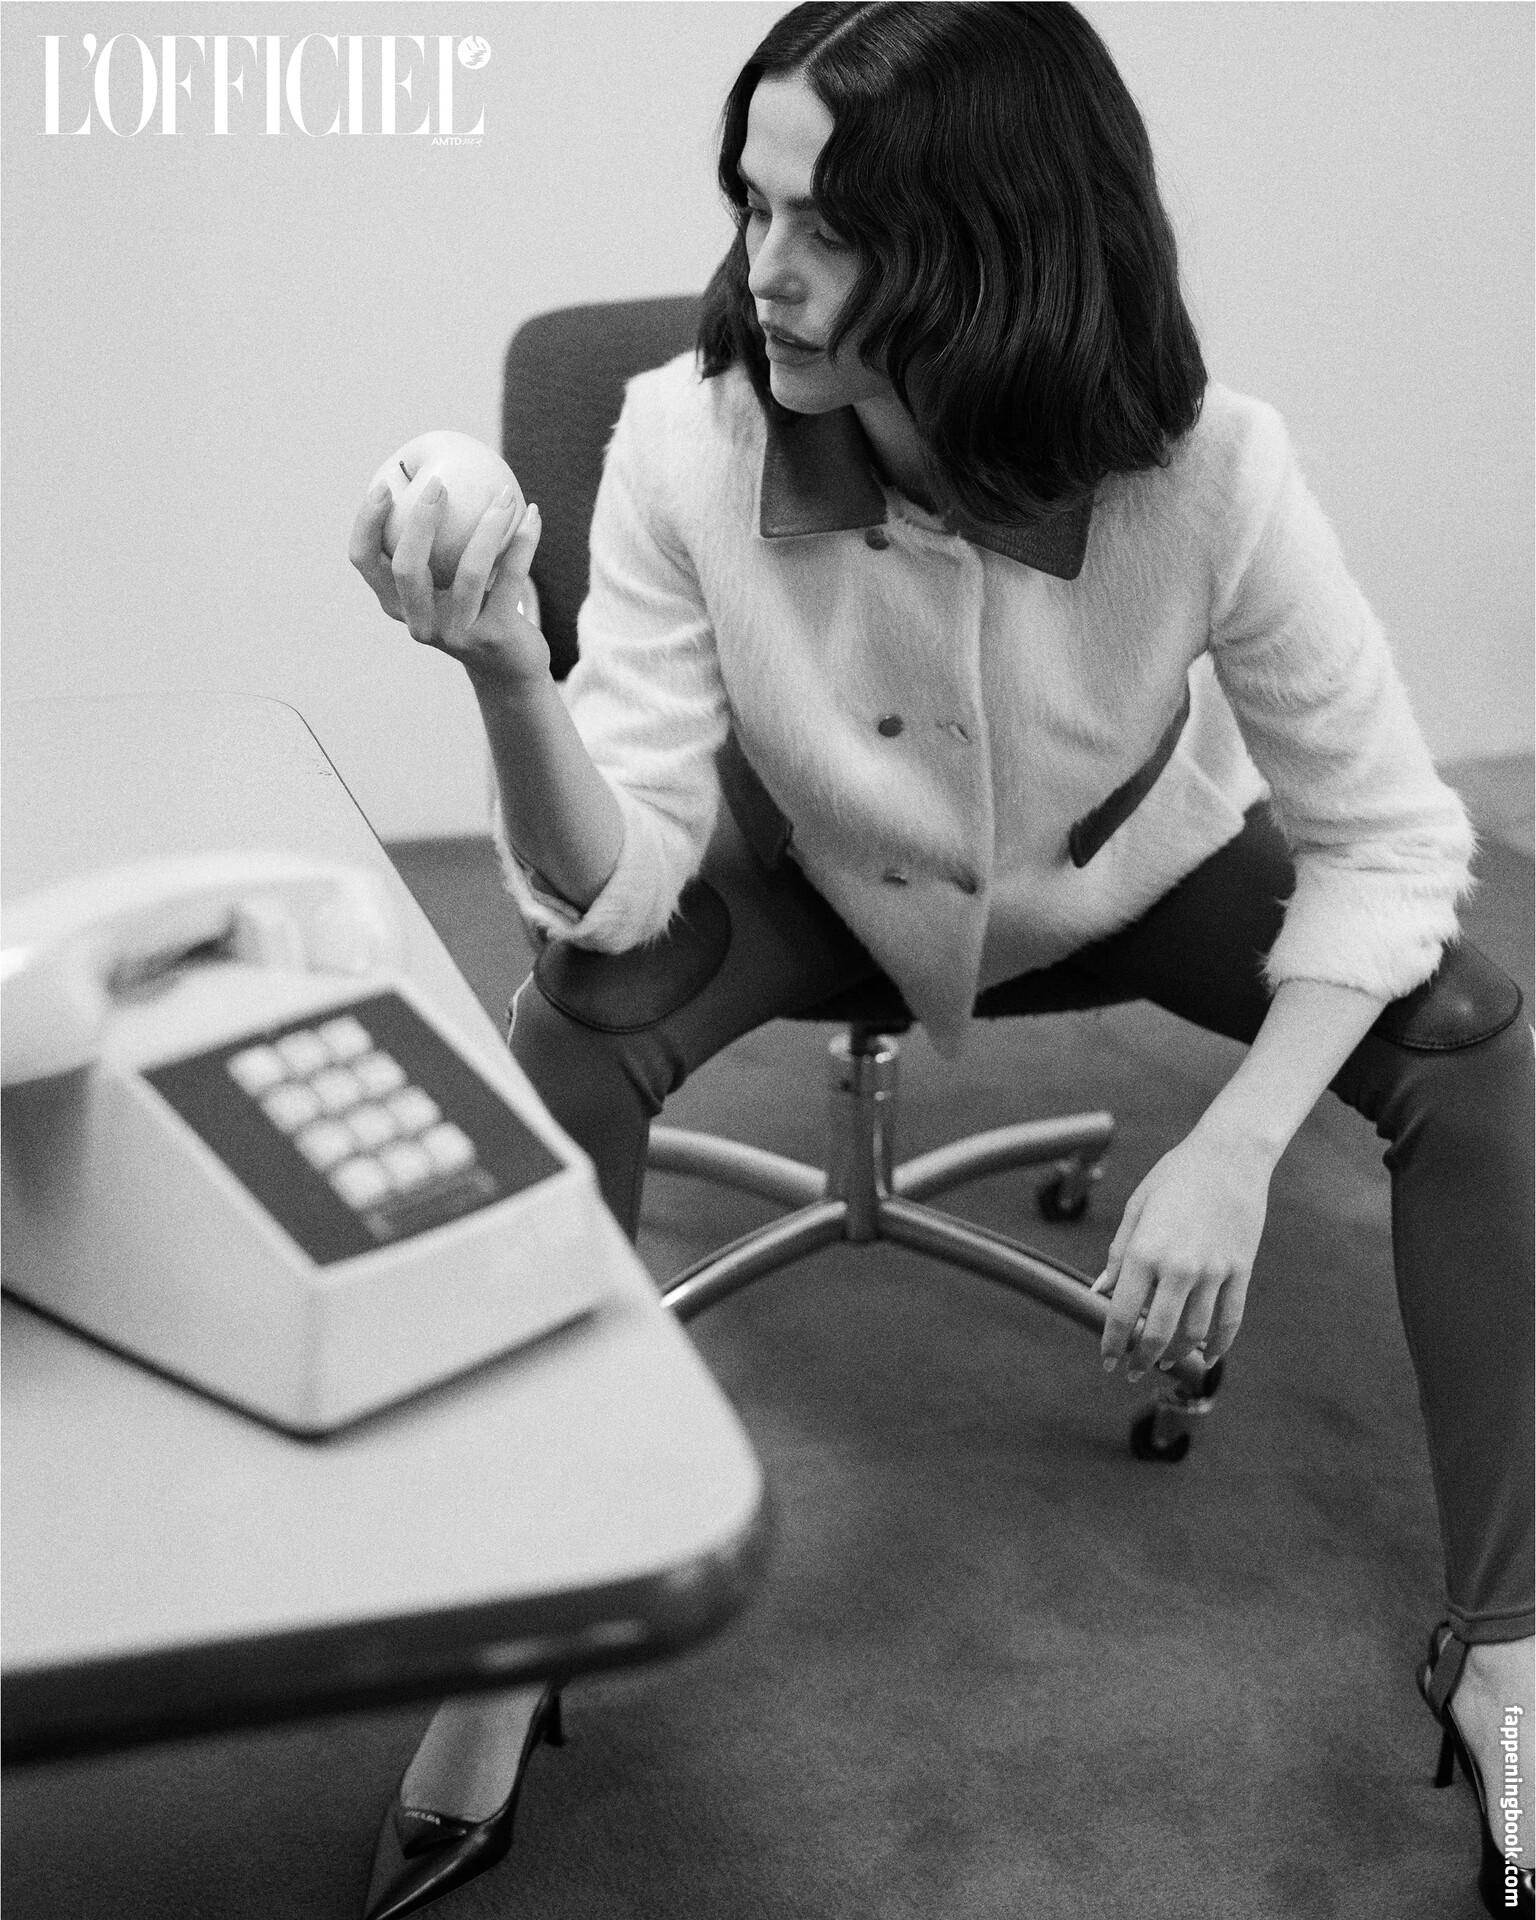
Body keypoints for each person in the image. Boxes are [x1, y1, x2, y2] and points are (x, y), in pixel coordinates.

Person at [349, 6, 1534, 1915]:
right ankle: (517, 1620)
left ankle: (1510, 1654)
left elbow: (1393, 841)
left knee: (1475, 1042)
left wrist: (1236, 1144)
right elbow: (615, 890)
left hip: (1125, 870)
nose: (766, 269)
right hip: (806, 869)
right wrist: (506, 675)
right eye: (752, 206)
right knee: (572, 1017)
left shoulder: (1213, 471)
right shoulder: (681, 440)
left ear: (1004, 244)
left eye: (831, 228)